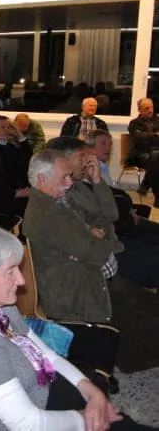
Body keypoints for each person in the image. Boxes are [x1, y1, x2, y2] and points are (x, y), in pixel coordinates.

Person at [0, 226, 130, 431]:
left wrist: (91, 391)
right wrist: (86, 420)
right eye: (10, 272)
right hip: (8, 425)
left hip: (35, 395)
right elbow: (28, 424)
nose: (21, 280)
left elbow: (45, 355)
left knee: (107, 404)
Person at [23, 150, 159, 373]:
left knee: (149, 306)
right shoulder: (50, 213)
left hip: (89, 275)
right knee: (144, 322)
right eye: (64, 177)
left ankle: (128, 353)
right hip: (77, 289)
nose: (70, 183)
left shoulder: (57, 200)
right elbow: (98, 254)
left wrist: (93, 235)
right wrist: (92, 238)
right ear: (42, 179)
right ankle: (127, 355)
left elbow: (99, 217)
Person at [47, 137, 159, 289]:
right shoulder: (62, 194)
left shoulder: (78, 185)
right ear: (63, 161)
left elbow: (112, 214)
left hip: (115, 245)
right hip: (107, 257)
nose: (86, 162)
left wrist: (98, 180)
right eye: (81, 157)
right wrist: (102, 225)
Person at [127, 97, 159, 200]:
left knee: (156, 158)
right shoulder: (134, 123)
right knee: (156, 159)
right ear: (139, 110)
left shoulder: (157, 121)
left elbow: (144, 136)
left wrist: (149, 136)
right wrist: (155, 135)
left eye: (151, 107)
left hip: (155, 154)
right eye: (146, 108)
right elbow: (138, 138)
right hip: (140, 155)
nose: (150, 110)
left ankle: (144, 186)